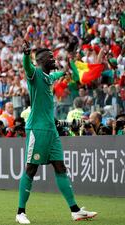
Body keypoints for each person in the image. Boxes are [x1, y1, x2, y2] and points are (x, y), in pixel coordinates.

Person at [16, 38, 97, 224]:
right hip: (37, 129)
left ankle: (75, 210)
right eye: (50, 57)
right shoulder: (35, 74)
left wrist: (68, 68)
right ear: (42, 60)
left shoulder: (48, 77)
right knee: (31, 168)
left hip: (52, 131)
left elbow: (63, 74)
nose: (54, 59)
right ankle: (20, 212)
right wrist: (26, 55)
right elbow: (27, 67)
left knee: (60, 167)